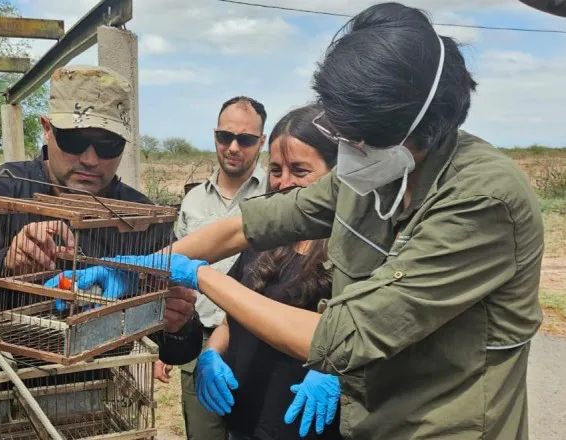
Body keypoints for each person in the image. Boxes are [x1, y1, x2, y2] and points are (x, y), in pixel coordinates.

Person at [68, 3, 545, 439]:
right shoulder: (375, 175)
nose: (347, 152)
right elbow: (248, 225)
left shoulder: (481, 200)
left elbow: (344, 336)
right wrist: (141, 266)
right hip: (368, 420)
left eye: (357, 139)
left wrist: (203, 277)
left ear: (413, 128)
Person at [0, 65, 203, 366]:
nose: (90, 159)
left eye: (108, 145)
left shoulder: (143, 219)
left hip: (96, 383)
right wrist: (4, 263)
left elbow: (178, 351)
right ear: (47, 128)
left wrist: (178, 325)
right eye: (74, 140)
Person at [194, 104, 343, 440]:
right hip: (244, 421)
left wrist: (337, 371)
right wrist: (212, 353)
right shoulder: (263, 240)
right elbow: (230, 320)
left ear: (336, 174)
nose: (284, 182)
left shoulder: (350, 253)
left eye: (300, 170)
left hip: (304, 428)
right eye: (276, 169)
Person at [161, 95, 269, 440]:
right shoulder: (193, 200)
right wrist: (166, 340)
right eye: (225, 136)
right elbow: (175, 275)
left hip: (257, 339)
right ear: (215, 136)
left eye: (245, 139)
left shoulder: (277, 196)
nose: (233, 147)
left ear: (261, 142)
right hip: (199, 341)